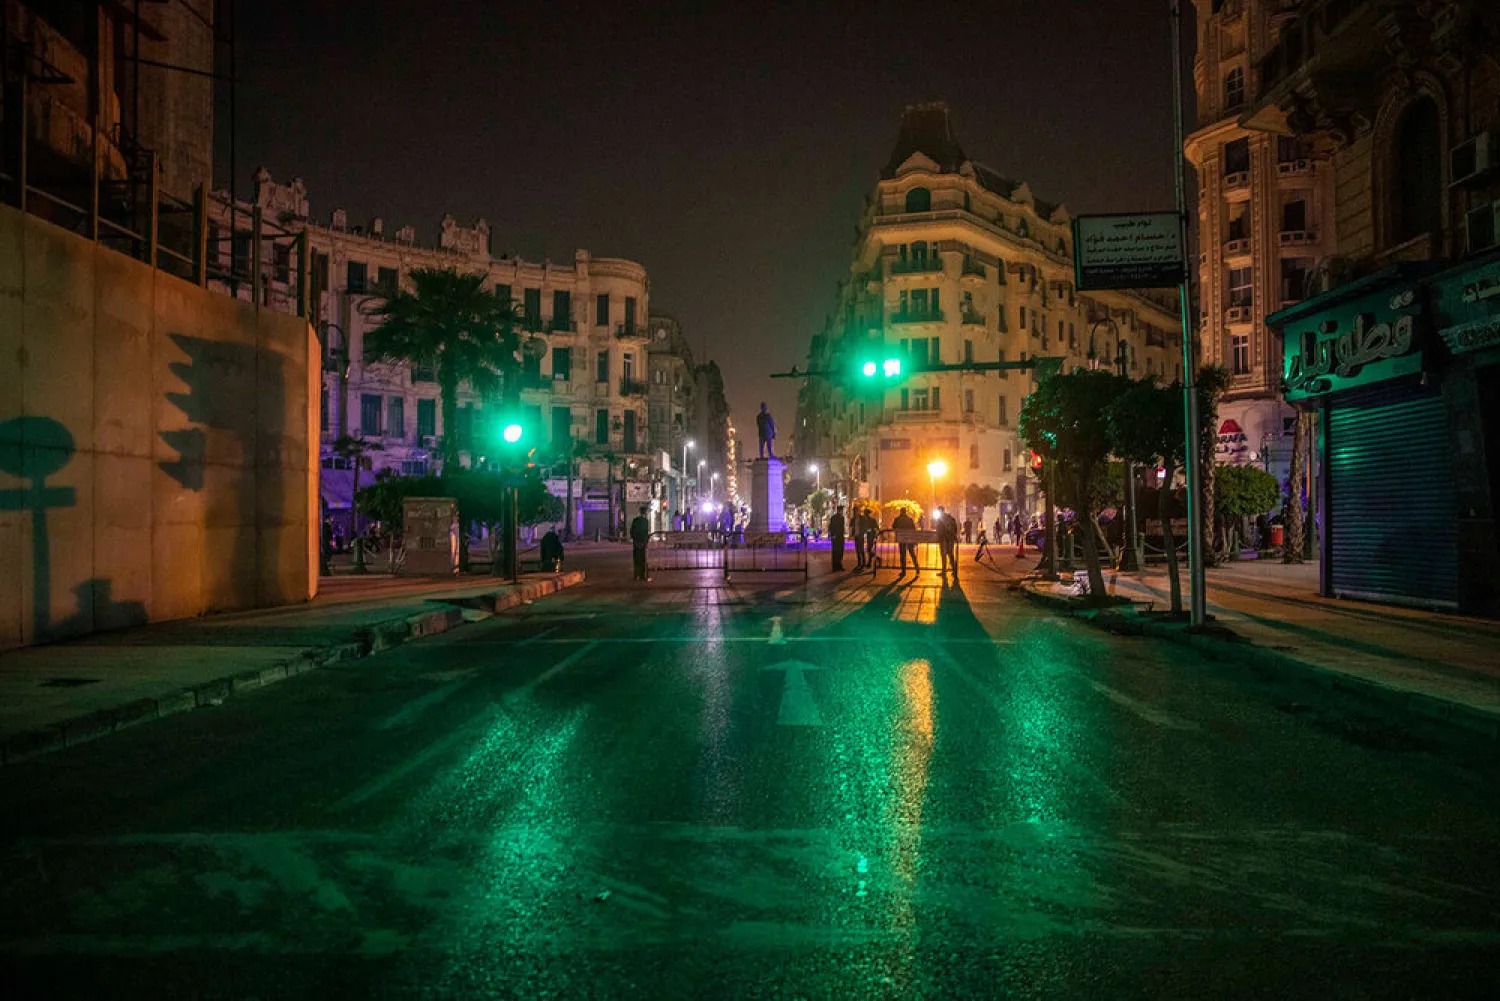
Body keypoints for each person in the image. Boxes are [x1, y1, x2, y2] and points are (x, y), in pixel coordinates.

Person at [892, 507, 917, 575]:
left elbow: (893, 527)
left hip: (901, 539)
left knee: (903, 555)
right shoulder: (909, 519)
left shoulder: (897, 519)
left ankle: (903, 571)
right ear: (906, 512)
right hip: (909, 538)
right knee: (912, 553)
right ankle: (917, 567)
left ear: (900, 512)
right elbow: (913, 529)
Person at [936, 507, 959, 581]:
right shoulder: (950, 518)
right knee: (950, 554)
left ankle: (944, 570)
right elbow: (955, 528)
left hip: (944, 539)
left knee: (944, 555)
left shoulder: (940, 519)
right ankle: (954, 570)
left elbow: (939, 529)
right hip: (950, 539)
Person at [630, 505, 651, 581]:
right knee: (643, 559)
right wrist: (646, 540)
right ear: (645, 512)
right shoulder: (646, 521)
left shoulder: (635, 520)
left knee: (636, 559)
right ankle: (642, 575)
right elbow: (646, 532)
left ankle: (636, 575)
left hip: (636, 542)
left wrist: (634, 539)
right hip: (643, 543)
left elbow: (631, 531)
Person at [828, 504, 846, 572]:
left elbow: (842, 528)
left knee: (840, 551)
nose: (842, 511)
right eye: (841, 510)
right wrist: (833, 535)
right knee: (835, 552)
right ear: (839, 510)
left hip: (840, 536)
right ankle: (835, 566)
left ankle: (839, 565)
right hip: (836, 537)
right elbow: (831, 527)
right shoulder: (834, 518)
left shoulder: (842, 518)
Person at [852, 505, 868, 570]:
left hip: (860, 536)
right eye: (854, 511)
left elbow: (865, 526)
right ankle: (859, 563)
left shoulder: (862, 518)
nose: (855, 512)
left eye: (856, 511)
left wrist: (863, 532)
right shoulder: (853, 519)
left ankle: (863, 563)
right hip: (856, 536)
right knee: (857, 550)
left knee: (861, 550)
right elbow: (852, 526)